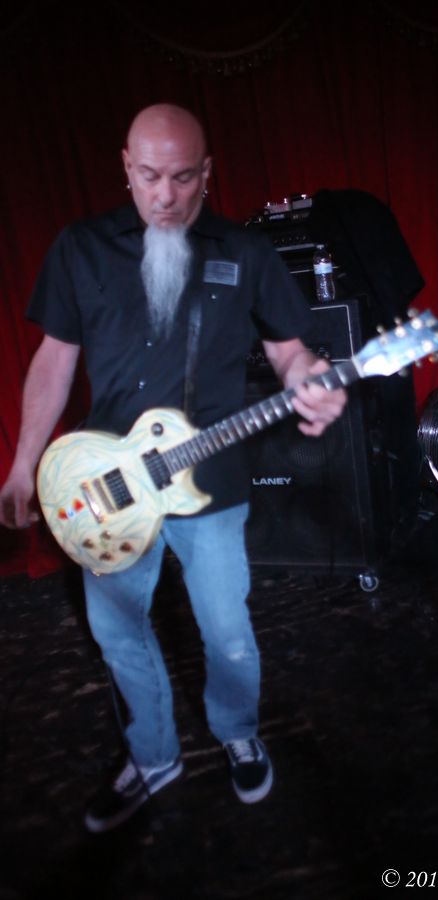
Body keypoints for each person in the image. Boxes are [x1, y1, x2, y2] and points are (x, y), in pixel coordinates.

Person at [0, 103, 346, 833]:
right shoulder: (81, 248)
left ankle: (237, 730)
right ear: (126, 168)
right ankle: (152, 754)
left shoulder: (244, 252)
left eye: (184, 178)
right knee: (119, 633)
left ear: (207, 173)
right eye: (151, 176)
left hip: (209, 479)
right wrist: (24, 462)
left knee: (227, 631)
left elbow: (290, 351)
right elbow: (54, 361)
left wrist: (310, 380)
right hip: (107, 485)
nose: (166, 195)